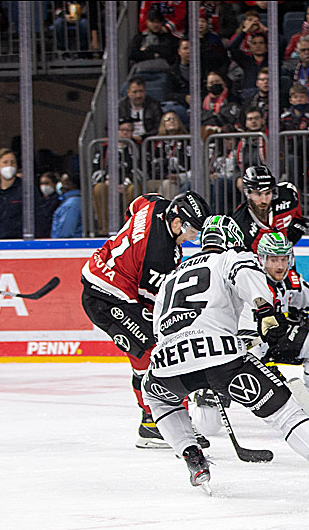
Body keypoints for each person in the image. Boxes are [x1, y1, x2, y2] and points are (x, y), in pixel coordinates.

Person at [142, 215, 309, 493]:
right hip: (221, 357)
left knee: (158, 399)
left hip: (167, 363)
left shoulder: (173, 274)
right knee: (287, 413)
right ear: (232, 239)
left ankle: (192, 456)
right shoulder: (230, 258)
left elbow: (159, 328)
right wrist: (264, 309)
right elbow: (246, 276)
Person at [80, 191, 211, 448]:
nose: (194, 237)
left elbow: (135, 206)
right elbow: (158, 307)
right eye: (192, 231)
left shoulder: (157, 203)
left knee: (147, 354)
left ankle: (156, 419)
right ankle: (156, 422)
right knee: (157, 353)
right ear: (176, 223)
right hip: (108, 299)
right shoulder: (159, 256)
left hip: (103, 275)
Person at [226, 231, 309, 426]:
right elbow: (249, 339)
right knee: (211, 422)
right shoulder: (252, 281)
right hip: (249, 348)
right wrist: (263, 367)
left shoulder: (289, 279)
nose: (280, 266)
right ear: (262, 259)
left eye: (283, 259)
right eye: (274, 260)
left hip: (276, 339)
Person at [232, 165, 306, 252]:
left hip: (284, 259)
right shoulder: (240, 222)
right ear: (247, 193)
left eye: (268, 193)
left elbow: (299, 220)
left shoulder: (288, 196)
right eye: (258, 194)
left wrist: (297, 229)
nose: (264, 200)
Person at [91, 118, 139, 232]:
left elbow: (143, 170)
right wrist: (107, 181)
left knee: (132, 190)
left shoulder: (137, 147)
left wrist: (126, 182)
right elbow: (95, 170)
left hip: (129, 183)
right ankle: (105, 229)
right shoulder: (104, 148)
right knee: (99, 188)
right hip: (108, 183)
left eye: (129, 130)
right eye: (122, 130)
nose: (125, 133)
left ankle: (130, 229)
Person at [118, 77, 164, 142]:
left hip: (148, 141)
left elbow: (159, 127)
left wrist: (143, 137)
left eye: (141, 91)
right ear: (128, 93)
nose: (138, 95)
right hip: (126, 141)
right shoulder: (120, 106)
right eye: (135, 92)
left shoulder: (154, 105)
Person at [0, 148, 23, 240]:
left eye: (12, 162)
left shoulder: (26, 190)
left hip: (20, 243)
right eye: (5, 162)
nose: (9, 165)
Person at [50, 173, 82, 238]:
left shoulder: (70, 205)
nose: (60, 186)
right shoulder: (75, 201)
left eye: (63, 182)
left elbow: (65, 233)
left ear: (70, 184)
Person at [35, 171, 61, 239]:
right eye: (42, 183)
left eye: (47, 183)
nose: (44, 186)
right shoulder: (38, 200)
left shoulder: (58, 200)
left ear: (54, 184)